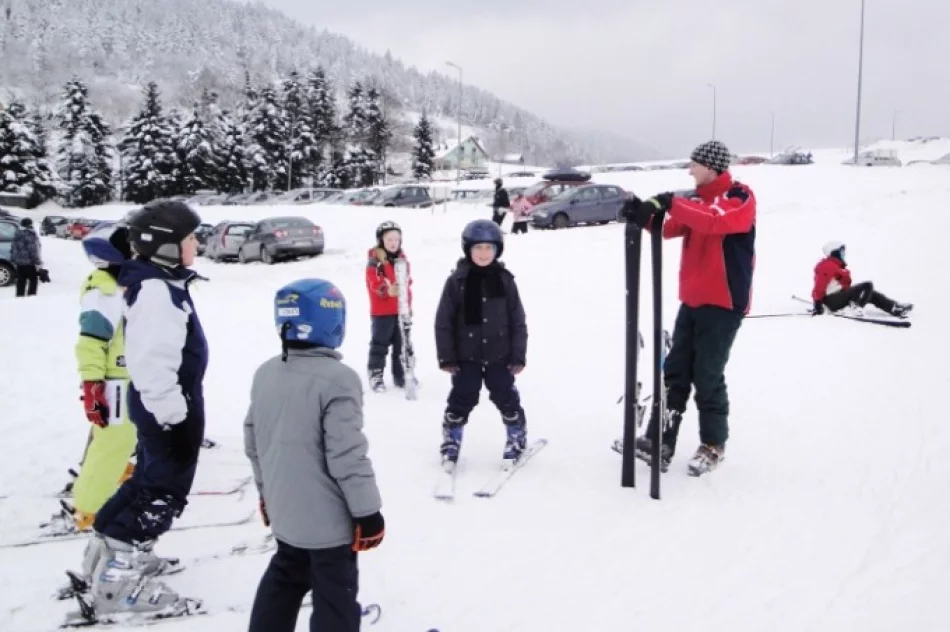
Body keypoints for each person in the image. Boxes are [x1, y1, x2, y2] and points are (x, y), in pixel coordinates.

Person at [79, 200, 208, 619]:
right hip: (166, 404)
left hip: (161, 401)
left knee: (144, 483)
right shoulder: (156, 290)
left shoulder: (159, 282)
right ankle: (119, 584)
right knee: (162, 493)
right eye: (189, 238)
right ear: (168, 247)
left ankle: (104, 557)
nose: (196, 243)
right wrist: (174, 417)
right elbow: (152, 361)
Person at [245, 278, 384, 632]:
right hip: (330, 525)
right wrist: (368, 513)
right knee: (335, 597)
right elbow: (347, 455)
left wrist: (266, 495)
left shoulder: (266, 372)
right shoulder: (338, 379)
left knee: (285, 576)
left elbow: (253, 441)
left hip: (286, 512)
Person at [620, 139, 756, 476]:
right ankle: (659, 440)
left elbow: (714, 221)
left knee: (707, 375)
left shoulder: (739, 197)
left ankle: (713, 445)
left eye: (694, 164)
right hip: (692, 301)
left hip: (724, 303)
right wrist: (642, 213)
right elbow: (669, 228)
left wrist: (672, 202)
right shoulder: (697, 200)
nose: (689, 169)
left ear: (711, 167)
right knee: (675, 372)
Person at [48, 222, 138, 537]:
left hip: (126, 377)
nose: (135, 250)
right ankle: (87, 508)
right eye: (129, 245)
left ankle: (115, 472)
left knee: (122, 440)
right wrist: (92, 385)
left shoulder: (118, 285)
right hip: (113, 381)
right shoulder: (104, 291)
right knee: (112, 443)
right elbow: (91, 341)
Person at [434, 219, 528, 465]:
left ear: (497, 249)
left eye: (489, 248)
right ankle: (451, 438)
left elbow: (518, 320)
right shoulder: (457, 281)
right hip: (466, 355)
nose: (484, 254)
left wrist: (518, 355)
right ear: (468, 249)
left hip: (500, 354)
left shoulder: (505, 281)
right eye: (478, 248)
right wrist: (447, 356)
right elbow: (444, 321)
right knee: (462, 396)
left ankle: (516, 433)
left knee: (504, 395)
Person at [364, 221, 412, 392]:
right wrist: (386, 289)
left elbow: (407, 284)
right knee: (380, 344)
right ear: (381, 240)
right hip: (382, 312)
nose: (393, 243)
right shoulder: (376, 261)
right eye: (389, 239)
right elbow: (374, 282)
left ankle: (401, 375)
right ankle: (376, 374)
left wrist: (408, 306)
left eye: (396, 240)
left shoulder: (402, 260)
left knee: (402, 345)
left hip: (400, 311)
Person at [811, 241, 912, 318]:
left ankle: (894, 307)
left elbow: (845, 285)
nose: (844, 254)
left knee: (871, 293)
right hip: (831, 300)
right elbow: (820, 286)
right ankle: (855, 308)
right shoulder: (827, 265)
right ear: (835, 252)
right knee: (867, 285)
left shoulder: (835, 266)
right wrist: (818, 304)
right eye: (841, 252)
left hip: (836, 298)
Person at [10, 216, 42, 297]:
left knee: (21, 281)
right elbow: (33, 249)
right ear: (29, 225)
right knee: (33, 279)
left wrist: (14, 259)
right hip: (29, 263)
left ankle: (19, 297)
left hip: (19, 263)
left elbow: (13, 248)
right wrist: (37, 261)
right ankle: (31, 297)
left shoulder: (17, 233)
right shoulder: (30, 234)